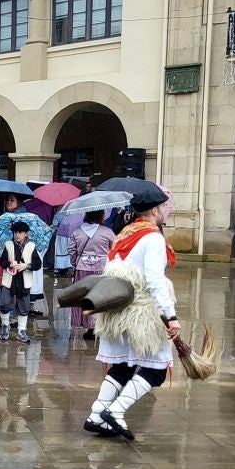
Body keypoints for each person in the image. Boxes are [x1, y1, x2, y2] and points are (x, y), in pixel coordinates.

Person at [83, 182, 180, 439]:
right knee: (156, 370)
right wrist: (170, 315)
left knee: (123, 366)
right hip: (143, 314)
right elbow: (155, 280)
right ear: (155, 210)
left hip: (118, 311)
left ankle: (97, 413)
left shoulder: (124, 235)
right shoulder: (153, 238)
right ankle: (116, 411)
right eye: (163, 207)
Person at [69, 210, 113, 341]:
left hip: (82, 268)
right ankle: (98, 325)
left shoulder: (77, 232)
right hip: (101, 269)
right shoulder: (107, 232)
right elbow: (116, 247)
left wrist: (76, 262)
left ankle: (89, 327)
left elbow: (71, 250)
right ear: (100, 216)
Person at [0, 218, 42, 342]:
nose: (17, 235)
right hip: (9, 280)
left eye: (20, 232)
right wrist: (10, 263)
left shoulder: (31, 246)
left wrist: (26, 266)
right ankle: (5, 325)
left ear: (26, 233)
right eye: (15, 232)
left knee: (24, 306)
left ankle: (21, 330)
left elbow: (38, 264)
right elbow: (2, 261)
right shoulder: (8, 245)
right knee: (5, 303)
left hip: (24, 281)